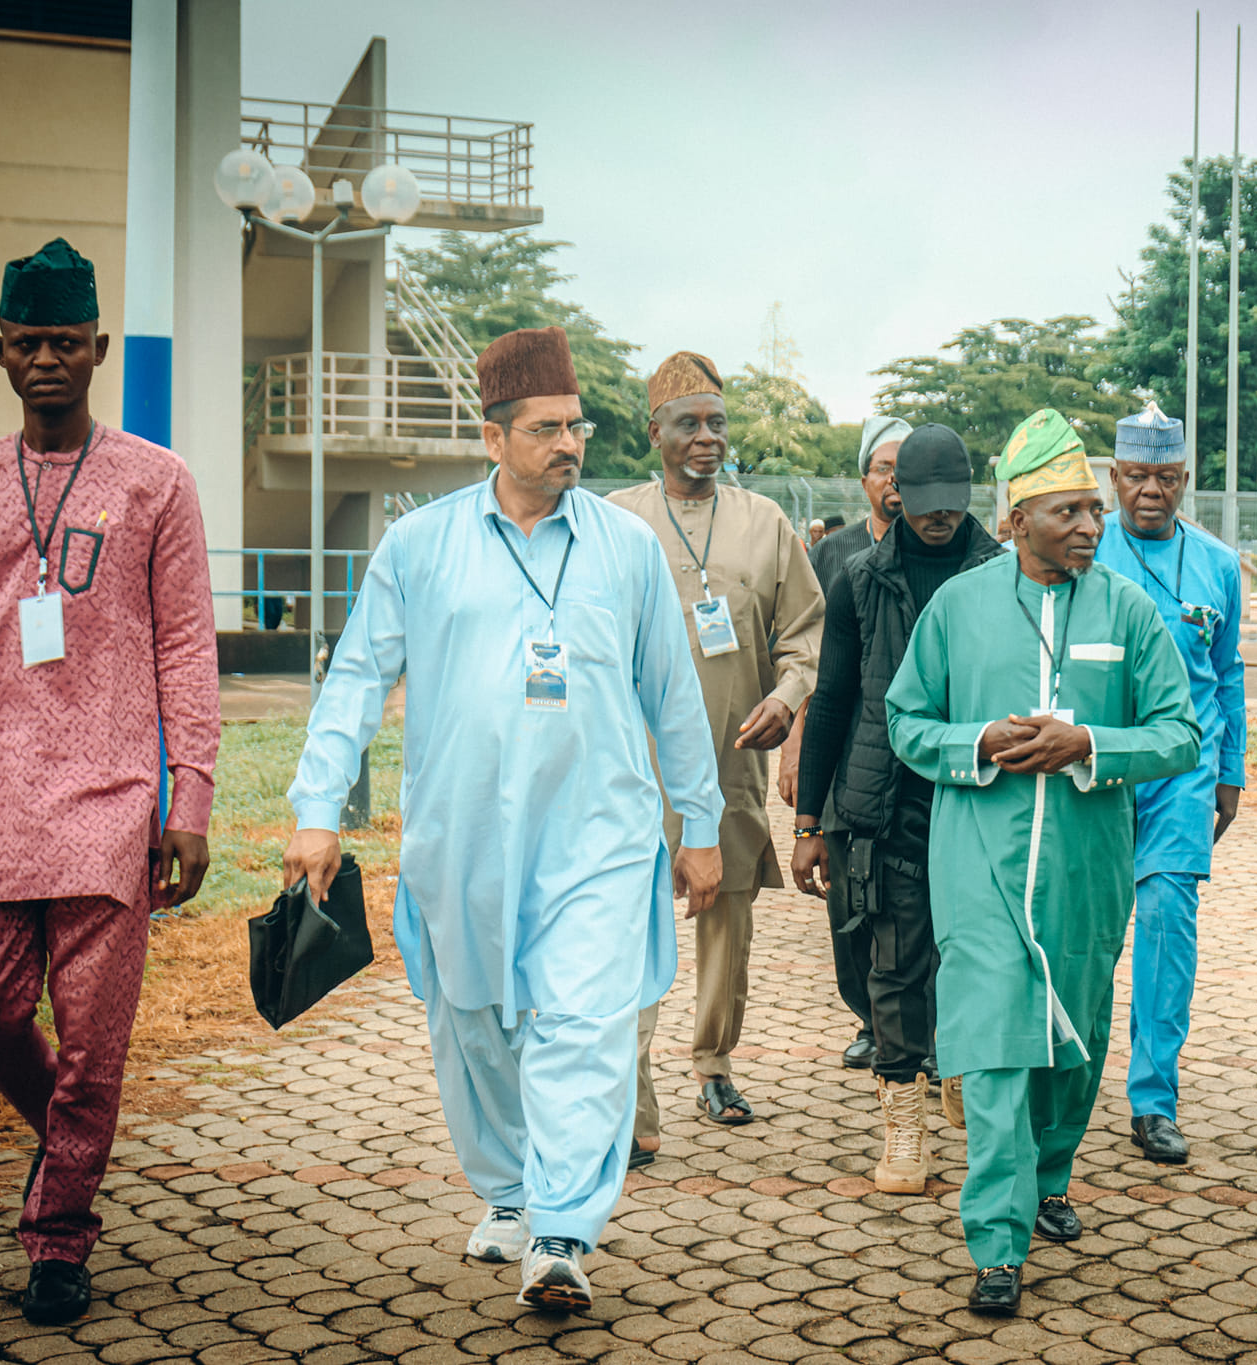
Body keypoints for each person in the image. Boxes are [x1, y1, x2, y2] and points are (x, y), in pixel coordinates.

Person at [282, 325, 724, 1315]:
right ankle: (510, 1192)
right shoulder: (420, 546)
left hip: (599, 840)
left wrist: (699, 826)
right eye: (545, 429)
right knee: (473, 1024)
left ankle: (562, 1232)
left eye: (576, 426)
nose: (569, 445)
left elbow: (673, 697)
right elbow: (357, 679)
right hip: (462, 839)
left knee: (583, 1025)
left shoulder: (626, 549)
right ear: (493, 438)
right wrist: (317, 809)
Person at [0, 238, 220, 1326]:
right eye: (29, 342)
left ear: (100, 348)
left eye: (68, 341)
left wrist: (190, 797)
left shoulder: (157, 483)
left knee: (97, 1047)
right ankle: (65, 1139)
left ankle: (59, 1233)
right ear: (1, 350)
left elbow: (186, 651)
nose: (49, 360)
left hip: (111, 810)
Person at [885, 408, 1200, 1315]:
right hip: (977, 865)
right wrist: (979, 738)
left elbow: (1179, 730)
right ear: (1018, 519)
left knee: (1074, 1042)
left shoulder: (1128, 610)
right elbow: (906, 721)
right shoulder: (959, 607)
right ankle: (996, 1240)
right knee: (989, 1049)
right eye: (1069, 511)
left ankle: (1052, 1169)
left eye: (1094, 511)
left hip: (1087, 871)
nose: (1092, 527)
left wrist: (1088, 743)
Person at [608, 352, 822, 1144]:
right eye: (690, 424)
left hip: (734, 758)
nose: (708, 439)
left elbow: (806, 634)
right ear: (653, 431)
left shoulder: (765, 522)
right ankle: (630, 1098)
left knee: (726, 917)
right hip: (633, 766)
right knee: (632, 920)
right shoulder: (617, 519)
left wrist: (786, 698)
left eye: (718, 423)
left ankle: (713, 1063)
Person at [791, 424, 1002, 1192]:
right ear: (894, 494)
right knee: (894, 962)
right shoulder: (860, 578)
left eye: (952, 502)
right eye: (923, 502)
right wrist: (811, 822)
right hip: (889, 801)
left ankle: (966, 1077)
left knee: (977, 955)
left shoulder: (999, 573)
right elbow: (835, 696)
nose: (938, 517)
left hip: (978, 795)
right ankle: (903, 1123)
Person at [1091, 401, 1246, 1166]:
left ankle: (1154, 1099)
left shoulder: (1218, 563)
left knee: (1164, 926)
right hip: (1102, 768)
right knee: (1086, 933)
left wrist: (1232, 773)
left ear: (1187, 479)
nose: (1152, 489)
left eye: (1168, 476)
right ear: (1113, 477)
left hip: (1183, 772)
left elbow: (1229, 672)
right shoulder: (1088, 553)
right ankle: (1065, 1082)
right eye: (1137, 475)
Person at [782, 414, 911, 1071]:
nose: (893, 478)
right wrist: (795, 743)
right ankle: (867, 1014)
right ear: (864, 478)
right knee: (846, 894)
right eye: (883, 466)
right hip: (840, 752)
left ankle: (909, 1025)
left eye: (904, 466)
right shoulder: (833, 555)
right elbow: (809, 663)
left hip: (909, 757)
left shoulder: (936, 554)